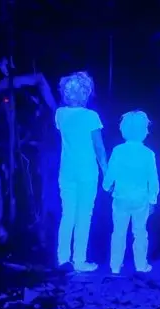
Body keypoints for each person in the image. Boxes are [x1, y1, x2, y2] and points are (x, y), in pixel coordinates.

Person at [55, 72, 108, 272]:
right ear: (86, 92)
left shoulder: (60, 114)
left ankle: (62, 259)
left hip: (66, 172)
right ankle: (79, 260)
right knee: (84, 215)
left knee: (67, 214)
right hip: (87, 172)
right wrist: (106, 172)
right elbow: (99, 147)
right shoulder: (91, 117)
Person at [103, 111, 160, 274]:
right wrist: (153, 200)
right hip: (141, 199)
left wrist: (106, 187)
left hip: (120, 198)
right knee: (140, 233)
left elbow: (110, 173)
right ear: (145, 130)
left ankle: (115, 266)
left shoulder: (118, 151)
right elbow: (153, 180)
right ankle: (141, 266)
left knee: (118, 232)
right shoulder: (148, 154)